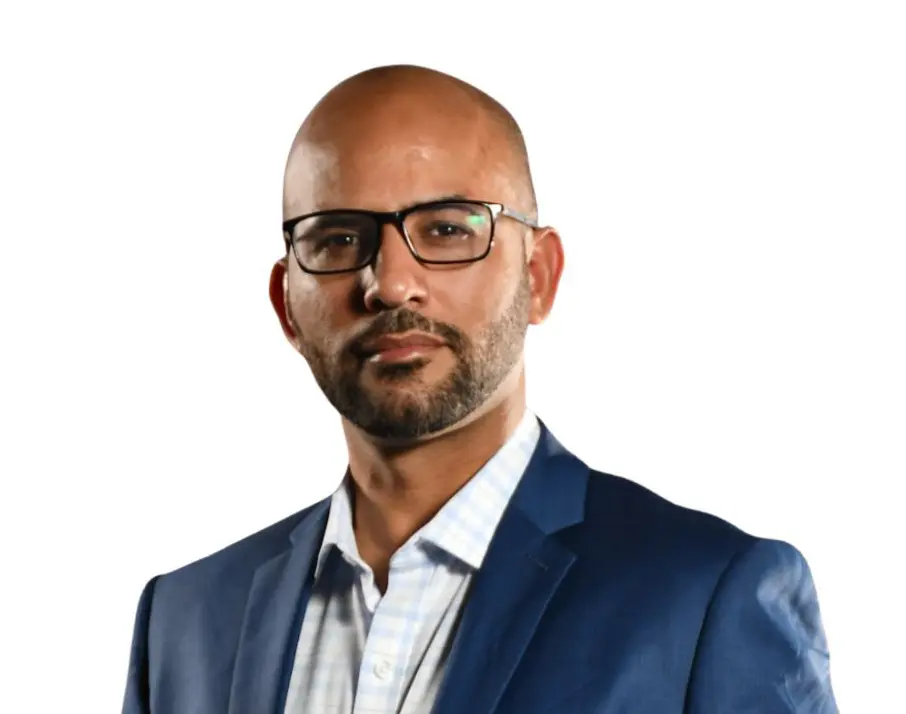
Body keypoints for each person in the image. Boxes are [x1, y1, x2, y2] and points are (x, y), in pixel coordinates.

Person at [121, 64, 839, 714]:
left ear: (539, 277)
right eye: (337, 239)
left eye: (446, 229)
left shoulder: (703, 598)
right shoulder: (184, 620)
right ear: (287, 305)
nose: (390, 283)